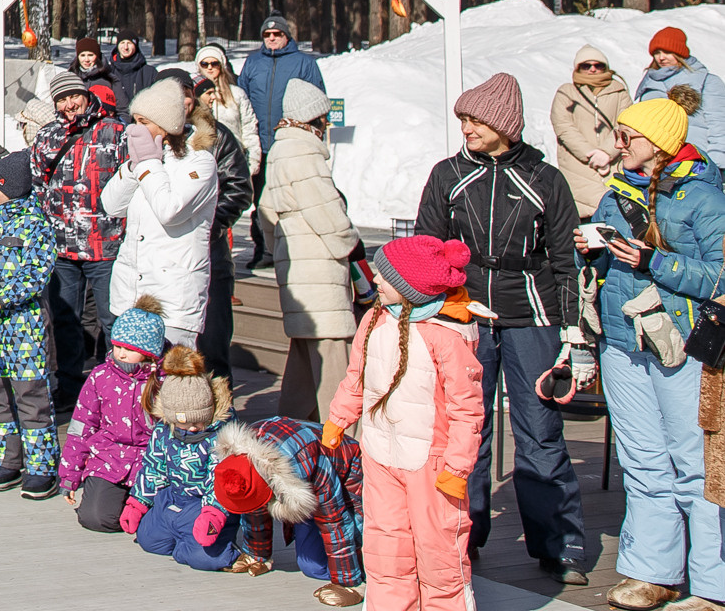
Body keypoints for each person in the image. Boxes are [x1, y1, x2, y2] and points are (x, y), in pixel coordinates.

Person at [412, 72, 586, 583]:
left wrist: (573, 331)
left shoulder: (545, 179)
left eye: (475, 119)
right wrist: (434, 310)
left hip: (532, 314)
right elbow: (427, 250)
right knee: (467, 429)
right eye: (463, 119)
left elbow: (565, 261)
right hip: (465, 313)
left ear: (504, 124)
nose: (465, 127)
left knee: (540, 428)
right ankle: (464, 532)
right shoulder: (447, 175)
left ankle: (560, 542)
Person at [576, 96, 725, 611]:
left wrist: (655, 261)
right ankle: (653, 572)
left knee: (695, 462)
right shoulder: (618, 194)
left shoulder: (705, 197)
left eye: (628, 136)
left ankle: (712, 584)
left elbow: (722, 275)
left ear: (658, 145)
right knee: (641, 461)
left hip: (677, 342)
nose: (617, 144)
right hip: (621, 339)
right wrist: (591, 249)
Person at [324, 235, 485, 611]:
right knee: (385, 544)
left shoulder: (445, 337)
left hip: (432, 464)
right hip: (380, 454)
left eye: (384, 276)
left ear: (409, 287)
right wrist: (339, 418)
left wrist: (458, 467)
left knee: (438, 548)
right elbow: (357, 377)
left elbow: (467, 410)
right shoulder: (374, 319)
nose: (375, 280)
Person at [29, 68, 130, 420]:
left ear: (86, 96)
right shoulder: (48, 137)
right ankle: (69, 387)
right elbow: (36, 185)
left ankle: (117, 390)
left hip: (107, 244)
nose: (69, 104)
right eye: (61, 99)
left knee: (111, 320)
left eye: (73, 96)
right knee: (66, 319)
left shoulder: (116, 133)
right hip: (62, 247)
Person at [260, 77, 359, 422]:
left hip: (297, 272)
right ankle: (344, 451)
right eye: (323, 118)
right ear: (312, 118)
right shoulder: (304, 152)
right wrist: (351, 244)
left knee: (302, 368)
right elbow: (330, 218)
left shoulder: (279, 150)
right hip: (321, 276)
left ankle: (289, 438)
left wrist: (284, 254)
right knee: (334, 370)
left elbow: (266, 216)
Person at [0, 151, 58, 496]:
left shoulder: (35, 224)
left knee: (31, 397)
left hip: (24, 328)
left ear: (11, 186)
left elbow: (36, 274)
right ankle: (8, 459)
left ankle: (41, 466)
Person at [103, 78, 218, 349]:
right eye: (134, 120)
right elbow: (110, 205)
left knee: (169, 384)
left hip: (173, 300)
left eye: (144, 122)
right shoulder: (143, 160)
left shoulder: (199, 162)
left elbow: (170, 210)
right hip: (130, 294)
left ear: (165, 127)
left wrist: (149, 164)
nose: (135, 128)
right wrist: (134, 168)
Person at [217, 417, 367, 606]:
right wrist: (257, 555)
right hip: (304, 484)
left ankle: (366, 574)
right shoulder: (242, 459)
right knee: (311, 565)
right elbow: (254, 507)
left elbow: (335, 522)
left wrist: (347, 584)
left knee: (356, 554)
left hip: (348, 475)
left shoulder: (304, 460)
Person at [118, 345, 240, 571]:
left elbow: (221, 480)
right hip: (172, 498)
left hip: (203, 504)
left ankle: (215, 549)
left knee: (201, 556)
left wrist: (213, 512)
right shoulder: (163, 432)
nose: (192, 428)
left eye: (198, 421)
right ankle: (179, 539)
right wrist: (137, 503)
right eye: (184, 423)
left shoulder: (221, 437)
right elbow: (153, 469)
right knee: (148, 539)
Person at [168, 68, 252, 380]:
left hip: (209, 255)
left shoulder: (217, 137)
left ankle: (219, 414)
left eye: (187, 93)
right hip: (164, 260)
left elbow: (239, 189)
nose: (183, 101)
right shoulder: (149, 138)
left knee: (212, 345)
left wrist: (207, 225)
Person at [58, 299, 166, 532]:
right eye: (118, 346)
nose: (122, 354)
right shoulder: (100, 376)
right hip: (109, 459)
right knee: (95, 517)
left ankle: (143, 513)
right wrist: (70, 476)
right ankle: (123, 508)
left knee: (158, 522)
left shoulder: (164, 381)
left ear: (149, 353)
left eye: (130, 350)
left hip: (151, 462)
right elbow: (81, 426)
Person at [241, 14, 327, 268]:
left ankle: (296, 247)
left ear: (286, 36)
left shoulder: (303, 63)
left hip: (290, 143)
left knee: (293, 197)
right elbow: (242, 101)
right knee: (262, 201)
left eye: (276, 34)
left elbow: (317, 100)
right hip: (260, 143)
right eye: (267, 35)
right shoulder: (253, 62)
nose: (272, 39)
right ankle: (264, 249)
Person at [550, 44, 629, 217]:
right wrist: (589, 153)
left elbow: (625, 124)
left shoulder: (619, 92)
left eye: (598, 65)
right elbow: (563, 126)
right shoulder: (566, 93)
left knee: (614, 213)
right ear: (577, 68)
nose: (592, 70)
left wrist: (607, 153)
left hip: (613, 166)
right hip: (577, 167)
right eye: (586, 66)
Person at [635, 26, 725, 168]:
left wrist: (716, 164)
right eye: (657, 52)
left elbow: (719, 125)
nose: (661, 57)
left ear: (679, 53)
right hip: (657, 164)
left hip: (697, 161)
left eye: (667, 52)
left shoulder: (707, 81)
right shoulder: (649, 82)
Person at [197, 42, 262, 176]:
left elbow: (249, 129)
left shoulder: (237, 94)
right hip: (205, 164)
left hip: (235, 161)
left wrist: (253, 162)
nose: (209, 68)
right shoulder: (193, 96)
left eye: (214, 63)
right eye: (205, 64)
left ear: (221, 66)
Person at [108, 29, 158, 116]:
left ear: (136, 45)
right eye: (122, 43)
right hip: (115, 122)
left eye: (129, 43)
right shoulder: (109, 72)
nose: (125, 47)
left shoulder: (149, 72)